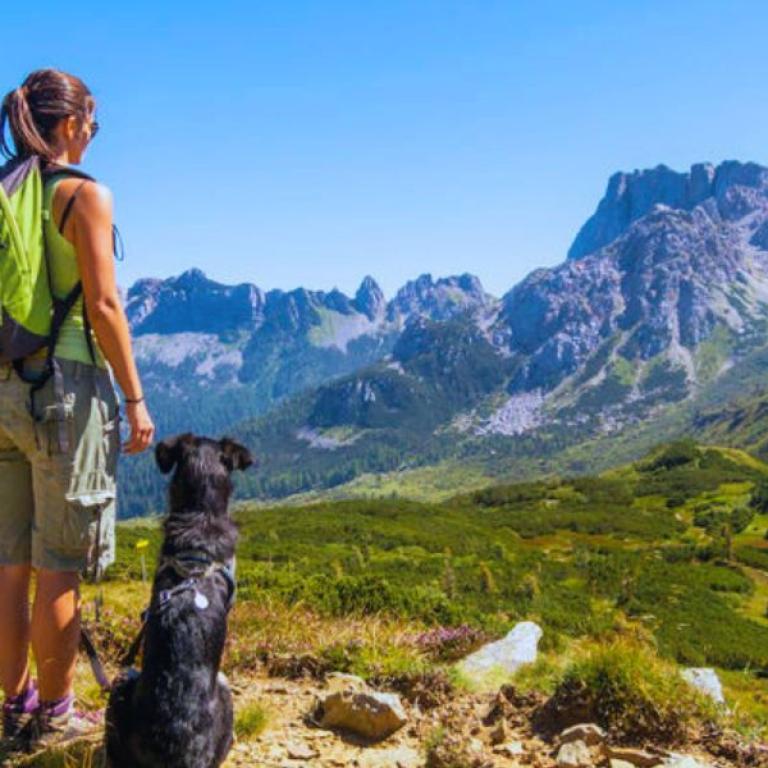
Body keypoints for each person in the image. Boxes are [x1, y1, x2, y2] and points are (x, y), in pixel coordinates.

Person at [0, 69, 155, 752]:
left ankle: (14, 706)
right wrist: (135, 396)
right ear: (68, 125)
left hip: (3, 389)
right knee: (60, 561)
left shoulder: (8, 190)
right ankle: (57, 716)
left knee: (10, 565)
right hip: (68, 391)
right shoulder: (82, 196)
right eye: (91, 120)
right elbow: (103, 305)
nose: (93, 132)